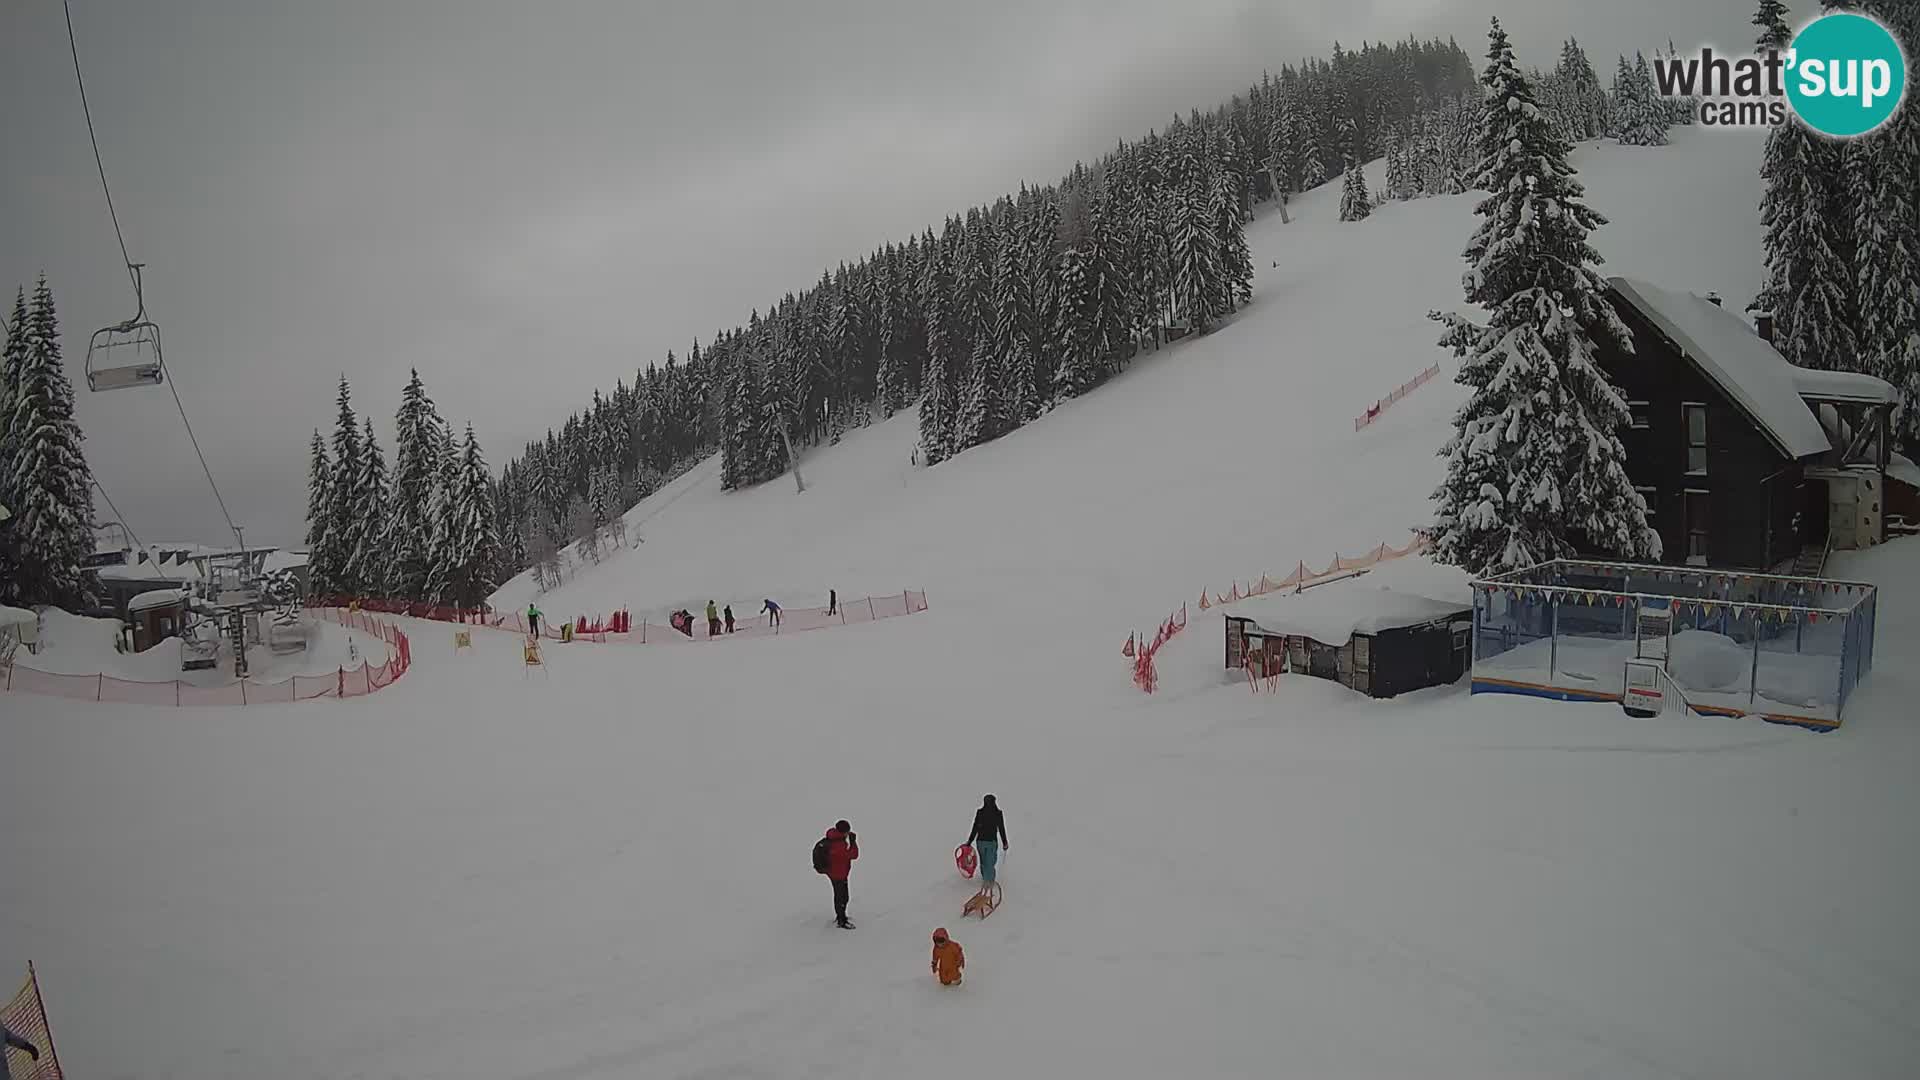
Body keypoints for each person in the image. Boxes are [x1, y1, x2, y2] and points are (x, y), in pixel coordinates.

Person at [823, 819, 859, 928]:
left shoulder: (834, 838)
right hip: (838, 874)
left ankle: (841, 916)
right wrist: (853, 842)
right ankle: (841, 920)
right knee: (842, 897)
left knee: (840, 896)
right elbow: (854, 855)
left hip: (834, 872)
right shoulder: (839, 845)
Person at [967, 794, 1008, 889]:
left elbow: (975, 827)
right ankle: (989, 882)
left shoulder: (981, 812)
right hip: (991, 842)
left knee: (984, 863)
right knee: (990, 862)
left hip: (981, 841)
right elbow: (1001, 828)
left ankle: (986, 880)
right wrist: (1004, 842)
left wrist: (970, 840)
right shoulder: (997, 813)